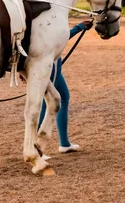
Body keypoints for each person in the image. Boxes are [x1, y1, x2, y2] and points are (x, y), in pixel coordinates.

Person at [38, 19, 94, 152]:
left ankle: (64, 143)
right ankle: (37, 147)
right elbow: (57, 39)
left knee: (63, 97)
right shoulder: (48, 16)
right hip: (51, 63)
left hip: (54, 62)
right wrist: (78, 28)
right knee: (46, 102)